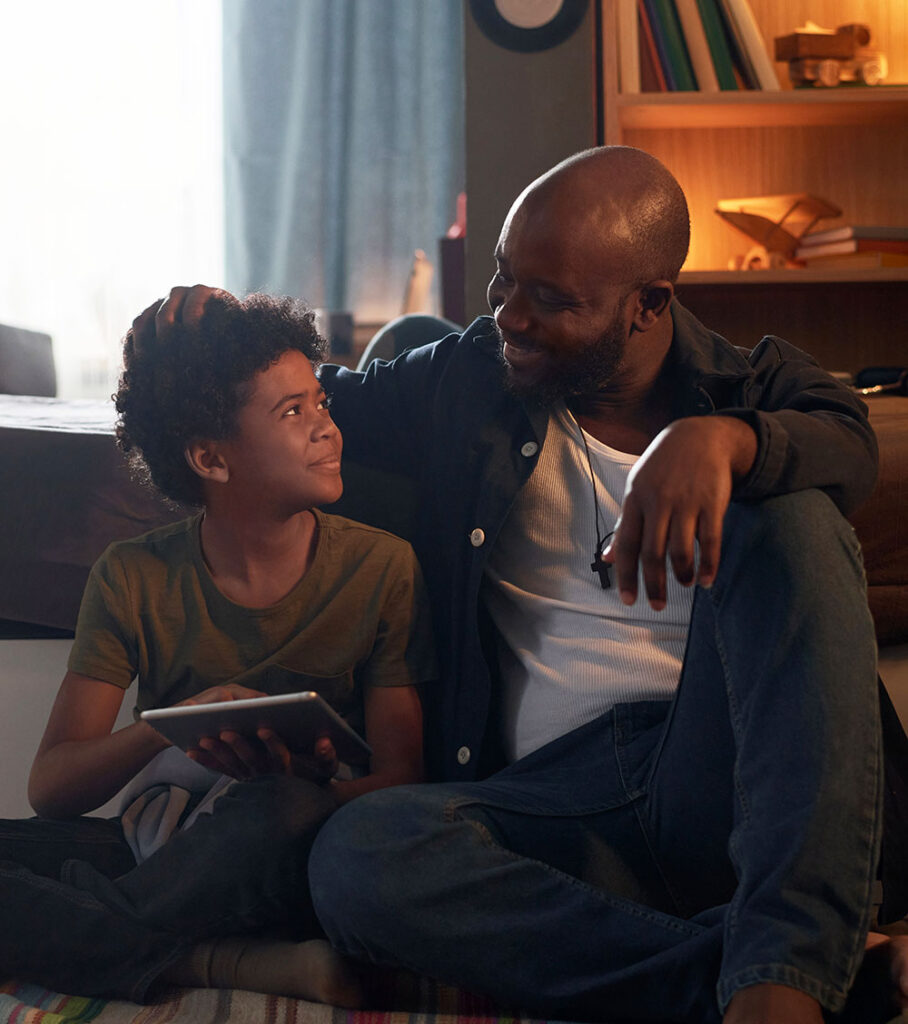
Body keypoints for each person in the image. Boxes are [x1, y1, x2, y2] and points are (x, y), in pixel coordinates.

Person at [148, 147, 903, 1023]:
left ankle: (787, 973)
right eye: (504, 283)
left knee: (794, 516)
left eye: (550, 300)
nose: (511, 316)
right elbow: (312, 407)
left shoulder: (753, 383)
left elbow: (851, 440)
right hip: (557, 806)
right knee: (360, 853)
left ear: (649, 305)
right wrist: (212, 331)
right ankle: (777, 980)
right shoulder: (471, 376)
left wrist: (725, 443)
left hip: (726, 774)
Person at [0, 292, 434, 1005]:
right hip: (158, 836)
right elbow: (52, 790)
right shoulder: (134, 575)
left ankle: (95, 932)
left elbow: (402, 774)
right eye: (292, 413)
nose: (326, 426)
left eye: (319, 400)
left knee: (277, 810)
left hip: (281, 851)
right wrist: (168, 725)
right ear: (210, 457)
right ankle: (216, 962)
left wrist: (308, 783)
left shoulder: (383, 568)